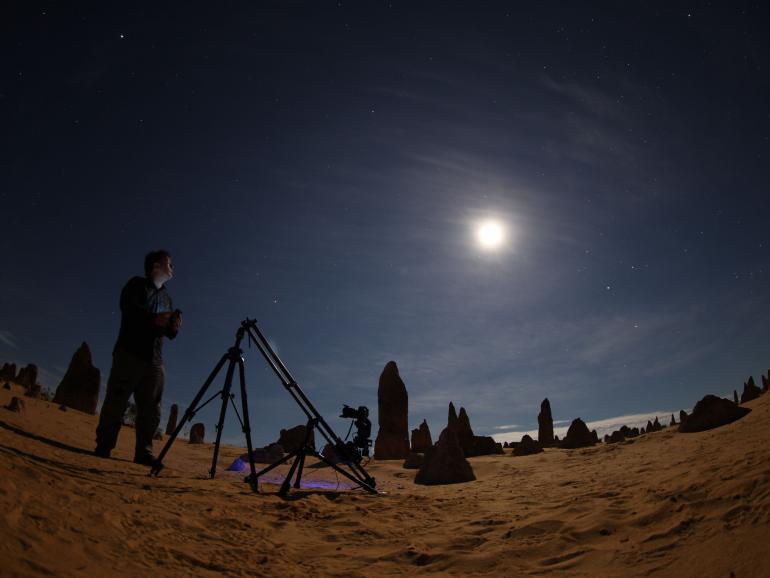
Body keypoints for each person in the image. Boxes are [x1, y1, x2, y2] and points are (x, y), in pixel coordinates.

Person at [95, 249, 182, 464]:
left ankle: (144, 452)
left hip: (155, 360)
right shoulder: (136, 285)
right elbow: (128, 309)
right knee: (117, 401)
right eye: (168, 263)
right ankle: (104, 446)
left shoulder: (167, 297)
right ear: (155, 266)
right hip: (129, 353)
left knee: (152, 409)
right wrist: (154, 320)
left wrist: (174, 326)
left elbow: (168, 333)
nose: (172, 267)